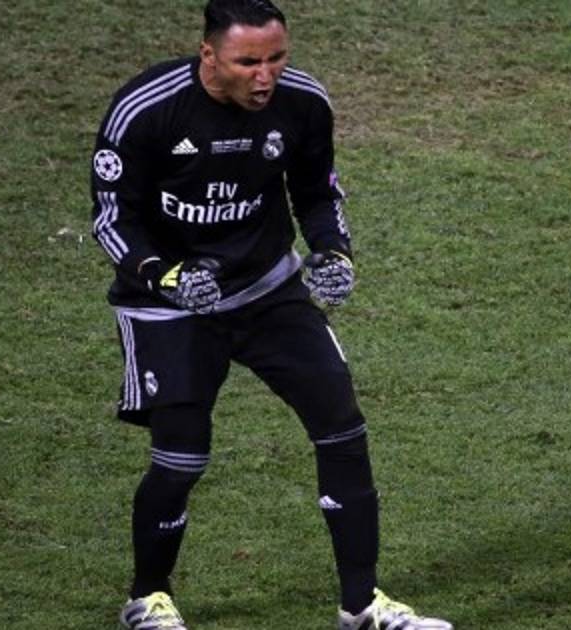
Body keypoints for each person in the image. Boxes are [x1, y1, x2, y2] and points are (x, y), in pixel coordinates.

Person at [88, 1, 453, 628]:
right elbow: (112, 220)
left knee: (342, 427)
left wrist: (333, 251)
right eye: (248, 62)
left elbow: (317, 192)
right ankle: (146, 598)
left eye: (277, 58)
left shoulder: (303, 102)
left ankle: (362, 607)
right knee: (182, 458)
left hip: (266, 288)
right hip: (167, 304)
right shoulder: (146, 110)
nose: (265, 76)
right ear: (209, 54)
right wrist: (167, 275)